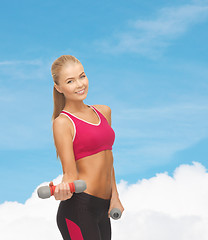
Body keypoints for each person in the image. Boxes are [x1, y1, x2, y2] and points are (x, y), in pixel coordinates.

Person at [50, 55, 124, 240]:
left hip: (103, 206)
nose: (79, 84)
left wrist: (115, 196)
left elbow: (108, 160)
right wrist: (62, 191)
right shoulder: (63, 123)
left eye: (82, 76)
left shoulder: (103, 112)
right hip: (78, 209)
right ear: (59, 88)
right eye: (70, 81)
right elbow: (70, 173)